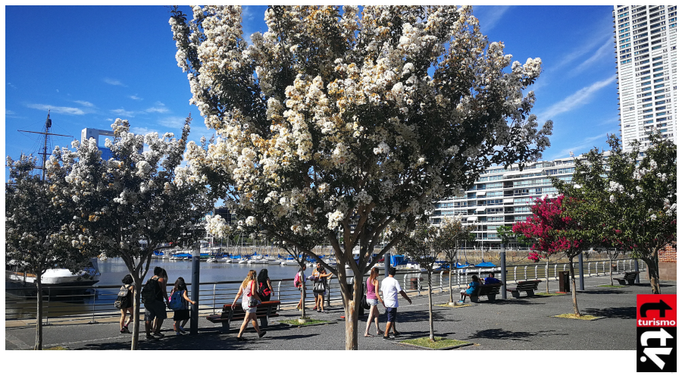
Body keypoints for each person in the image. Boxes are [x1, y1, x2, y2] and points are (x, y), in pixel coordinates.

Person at [232, 270, 266, 341]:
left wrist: (234, 302)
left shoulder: (244, 282)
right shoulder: (253, 282)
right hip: (250, 303)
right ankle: (239, 335)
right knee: (246, 320)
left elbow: (239, 293)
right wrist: (259, 299)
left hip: (244, 303)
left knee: (254, 318)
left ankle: (259, 332)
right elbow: (253, 293)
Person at [380, 266, 411, 340]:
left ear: (388, 272)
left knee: (391, 317)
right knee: (390, 319)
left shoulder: (384, 280)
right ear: (394, 273)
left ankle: (394, 331)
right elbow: (401, 291)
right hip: (392, 302)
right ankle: (386, 334)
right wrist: (408, 298)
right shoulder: (395, 281)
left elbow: (382, 291)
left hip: (386, 301)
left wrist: (383, 299)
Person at [144, 266, 169, 339]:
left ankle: (148, 334)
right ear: (160, 272)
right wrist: (167, 300)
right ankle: (157, 331)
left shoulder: (149, 279)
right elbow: (164, 291)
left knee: (148, 318)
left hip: (148, 300)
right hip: (158, 300)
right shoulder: (161, 280)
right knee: (160, 316)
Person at [364, 267, 384, 337]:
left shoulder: (368, 279)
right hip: (373, 299)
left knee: (377, 314)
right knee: (371, 315)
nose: (378, 274)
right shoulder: (375, 281)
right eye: (378, 273)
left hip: (368, 298)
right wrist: (382, 302)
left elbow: (367, 290)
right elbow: (377, 293)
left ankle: (378, 329)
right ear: (376, 273)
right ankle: (366, 332)